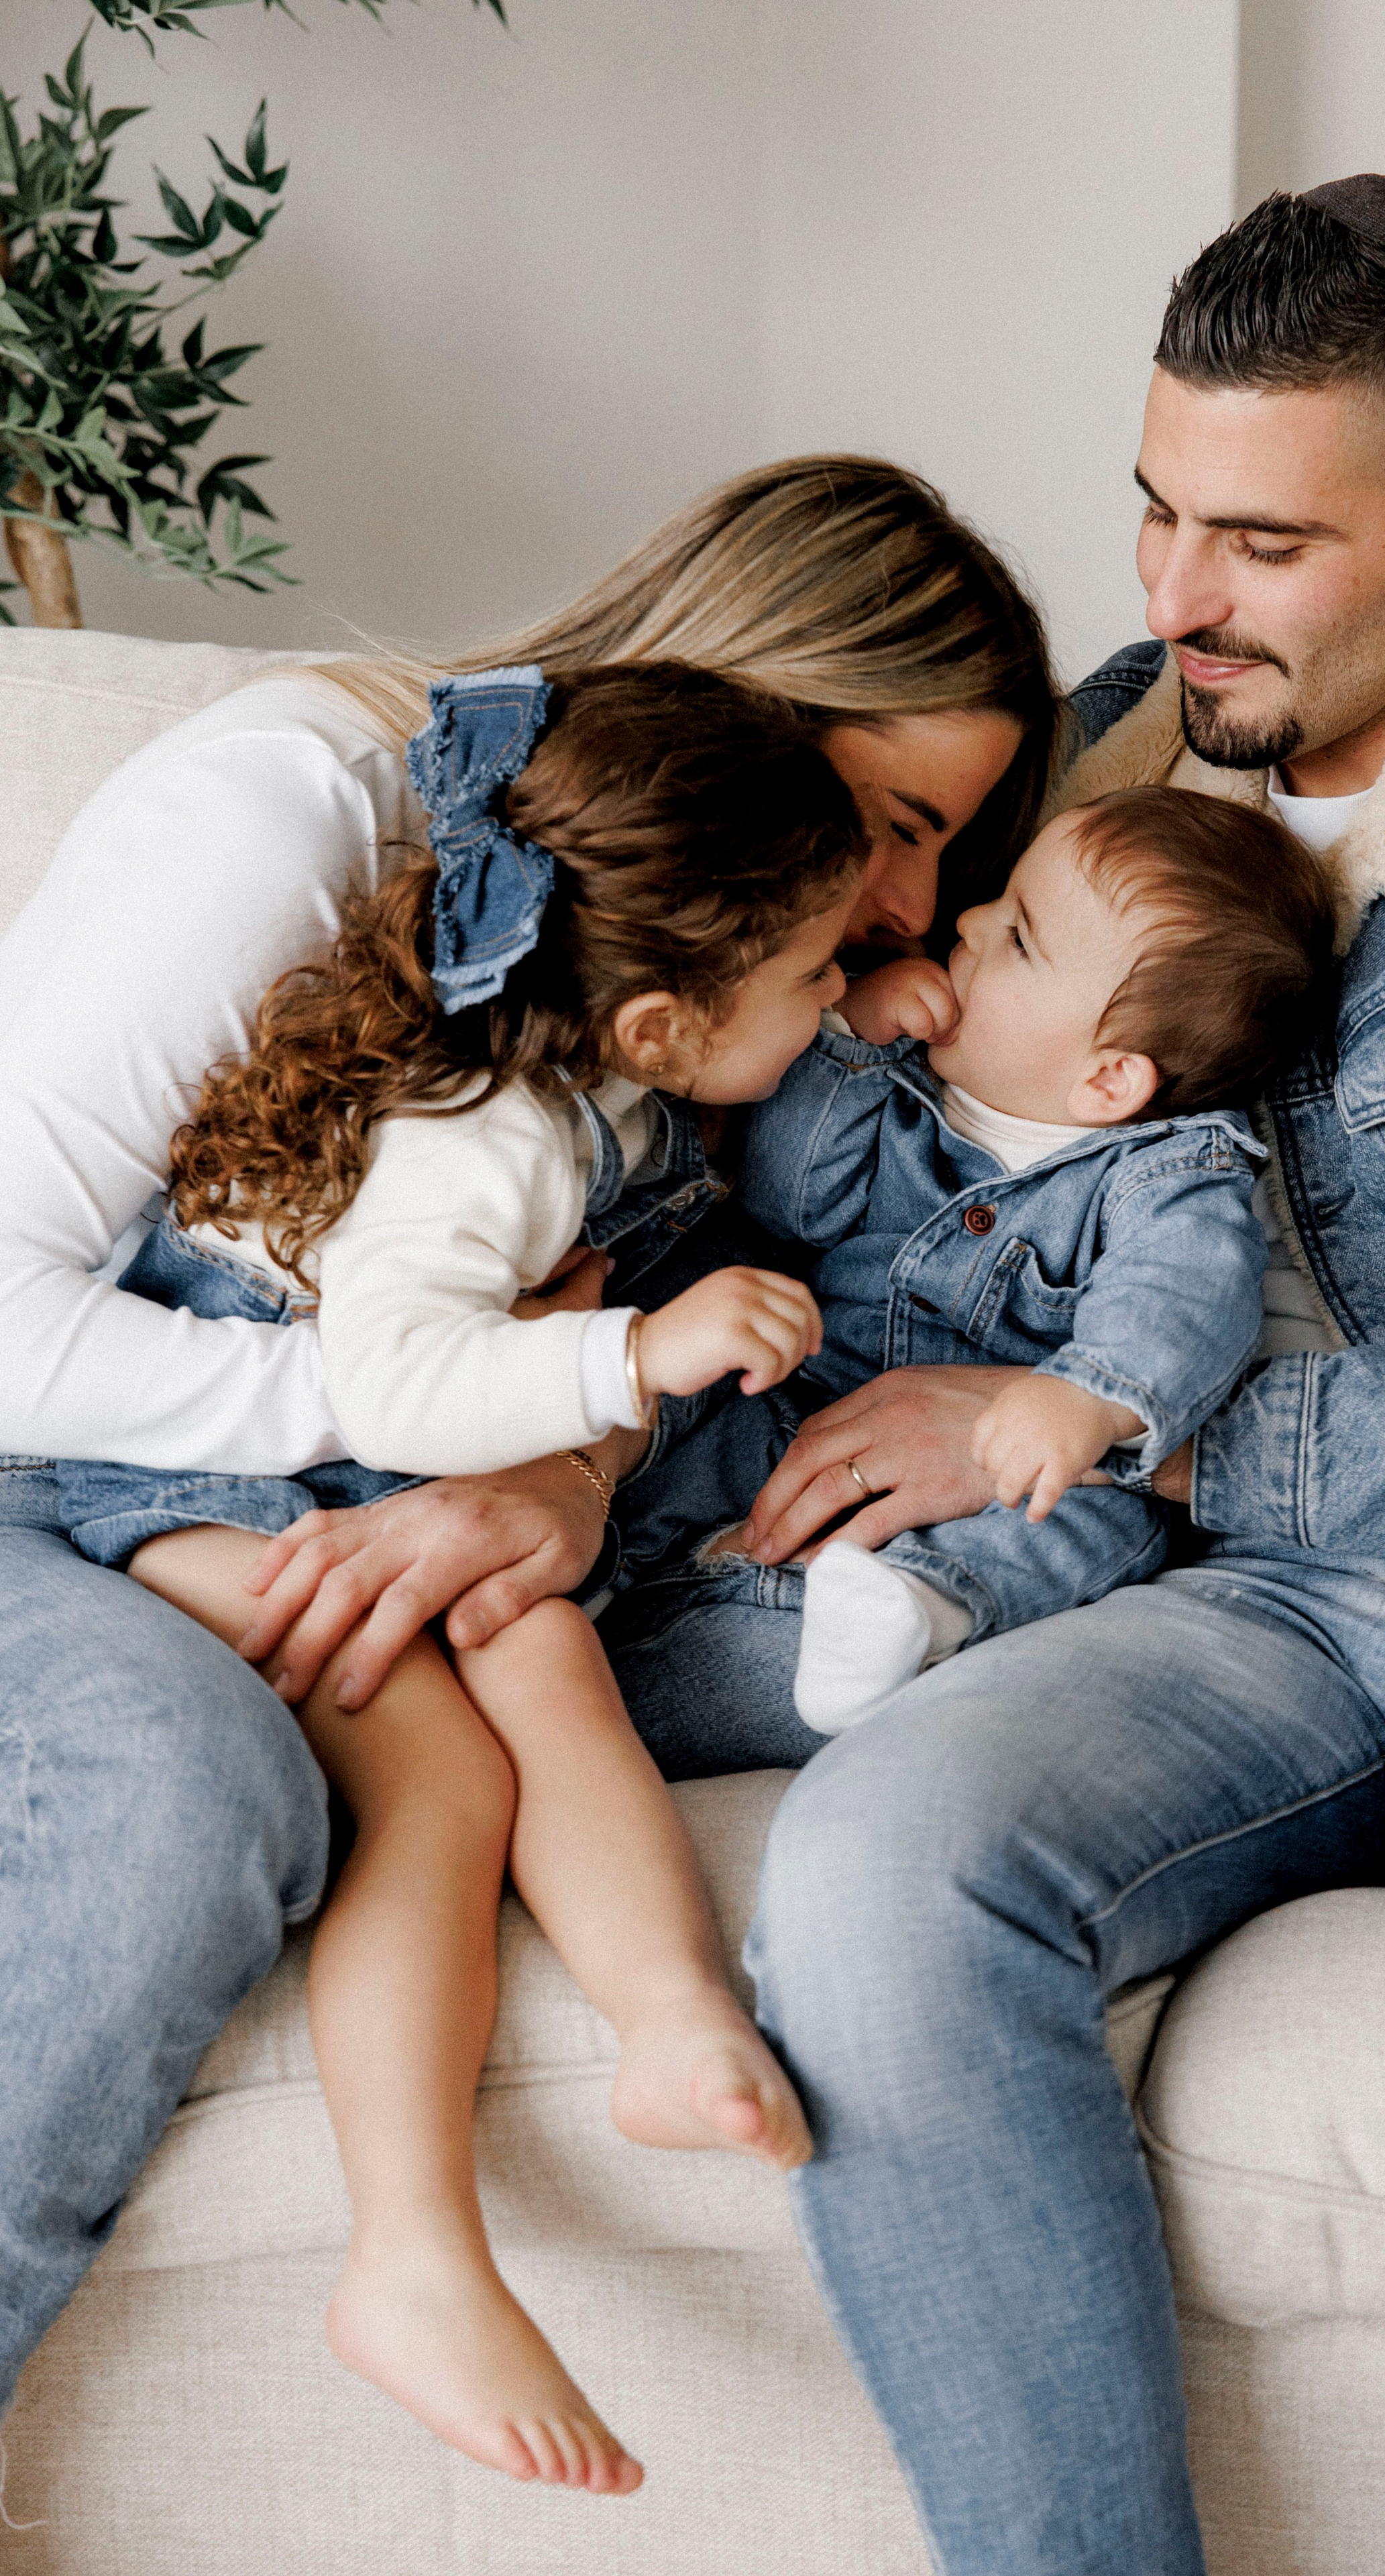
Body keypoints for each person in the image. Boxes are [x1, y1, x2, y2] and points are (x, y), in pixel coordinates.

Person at [598, 180, 1385, 2575]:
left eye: (1262, 543)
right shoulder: (1100, 743)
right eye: (1157, 509)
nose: (1179, 594)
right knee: (882, 1879)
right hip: (1199, 1607)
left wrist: (1132, 1427)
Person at [0, 455, 1054, 2420]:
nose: (907, 904)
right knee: (211, 1788)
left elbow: (643, 1310)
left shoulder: (685, 1010)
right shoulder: (308, 815)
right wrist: (449, 1408)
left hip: (405, 1433)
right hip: (94, 1443)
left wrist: (559, 1467)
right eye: (898, 826)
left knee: (655, 1665)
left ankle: (666, 2029)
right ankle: (417, 2248)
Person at [52, 660, 871, 2487]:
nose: (846, 993)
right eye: (820, 971)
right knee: (433, 1769)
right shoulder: (486, 1139)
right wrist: (632, 1358)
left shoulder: (605, 1070)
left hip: (363, 1451)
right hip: (188, 1455)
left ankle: (670, 2021)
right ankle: (411, 2254)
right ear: (659, 1018)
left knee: (541, 1650)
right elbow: (392, 1385)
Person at [606, 784, 1333, 1733]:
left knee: (1097, 1515)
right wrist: (848, 1040)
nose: (972, 919)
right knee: (709, 1412)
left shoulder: (1166, 1172)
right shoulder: (907, 1082)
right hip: (807, 1397)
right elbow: (790, 1202)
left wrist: (1090, 1397)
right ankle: (632, 1572)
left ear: (1109, 1079)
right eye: (1001, 900)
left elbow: (1184, 1295)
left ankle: (920, 1606)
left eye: (1020, 937)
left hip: (1006, 1470)